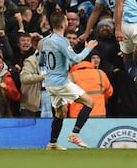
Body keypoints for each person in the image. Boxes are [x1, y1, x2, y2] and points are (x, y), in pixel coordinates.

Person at [40, 11, 97, 150]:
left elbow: (41, 60)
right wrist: (88, 49)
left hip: (49, 83)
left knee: (60, 113)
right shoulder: (62, 41)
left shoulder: (45, 40)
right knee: (89, 102)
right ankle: (74, 134)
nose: (68, 22)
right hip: (60, 83)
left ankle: (52, 143)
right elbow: (76, 59)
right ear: (63, 23)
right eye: (66, 20)